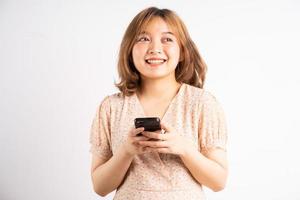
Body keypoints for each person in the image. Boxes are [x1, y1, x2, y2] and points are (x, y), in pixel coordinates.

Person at [89, 7, 228, 200]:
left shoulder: (202, 104)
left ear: (182, 52)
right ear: (129, 50)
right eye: (143, 38)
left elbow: (218, 181)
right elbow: (100, 187)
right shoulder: (111, 107)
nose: (155, 48)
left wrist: (183, 148)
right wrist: (126, 151)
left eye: (167, 39)